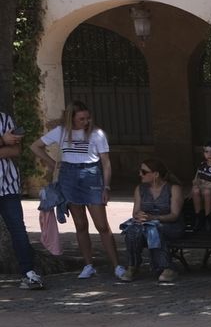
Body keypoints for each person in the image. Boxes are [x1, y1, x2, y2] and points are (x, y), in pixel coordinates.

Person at [31, 101, 124, 281]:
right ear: (71, 118)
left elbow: (106, 162)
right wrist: (52, 163)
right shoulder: (61, 132)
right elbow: (35, 146)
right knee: (80, 224)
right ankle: (88, 264)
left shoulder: (97, 134)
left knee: (102, 225)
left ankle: (117, 265)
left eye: (88, 118)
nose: (86, 122)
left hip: (91, 174)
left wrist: (106, 186)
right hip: (69, 175)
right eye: (81, 119)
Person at [120, 158, 185, 284]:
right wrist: (140, 216)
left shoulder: (173, 188)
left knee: (153, 229)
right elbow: (135, 212)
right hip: (147, 224)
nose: (140, 174)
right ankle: (132, 266)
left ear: (155, 174)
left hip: (170, 225)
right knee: (133, 230)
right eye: (140, 171)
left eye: (144, 172)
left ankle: (166, 267)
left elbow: (174, 215)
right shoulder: (140, 189)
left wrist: (153, 218)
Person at [1, 109, 44, 290]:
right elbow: (8, 147)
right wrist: (3, 141)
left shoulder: (4, 119)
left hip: (8, 186)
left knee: (18, 231)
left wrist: (8, 145)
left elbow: (16, 150)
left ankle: (28, 273)